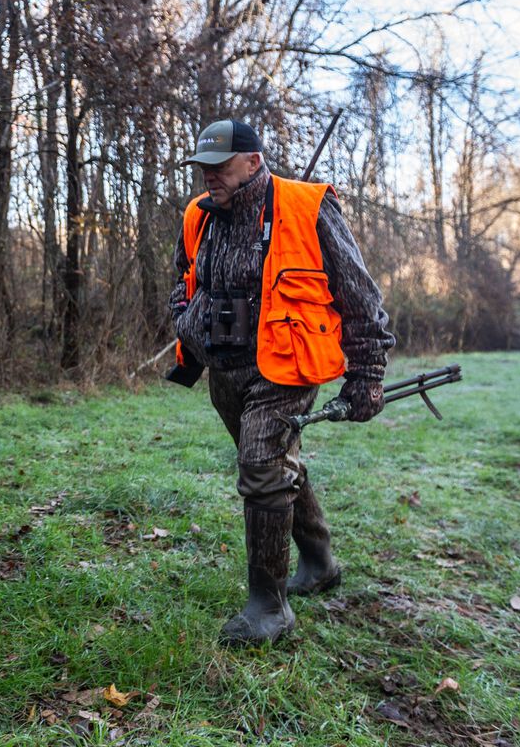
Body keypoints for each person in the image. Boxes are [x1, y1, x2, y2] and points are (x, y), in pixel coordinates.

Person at [168, 119, 395, 646]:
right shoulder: (198, 216)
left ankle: (269, 608)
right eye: (203, 168)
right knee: (273, 465)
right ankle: (319, 563)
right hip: (225, 368)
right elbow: (182, 278)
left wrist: (368, 374)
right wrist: (185, 318)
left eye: (220, 166)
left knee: (261, 466)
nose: (209, 177)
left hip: (285, 366)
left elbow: (360, 295)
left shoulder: (307, 207)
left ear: (253, 161)